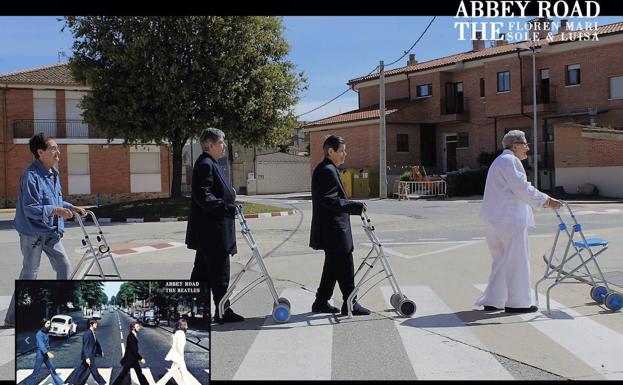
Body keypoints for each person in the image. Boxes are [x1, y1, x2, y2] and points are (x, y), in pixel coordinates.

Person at [2, 133, 86, 329]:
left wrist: (71, 207)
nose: (58, 151)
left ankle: (59, 309)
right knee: (30, 274)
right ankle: (12, 319)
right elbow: (31, 208)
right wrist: (57, 211)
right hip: (32, 232)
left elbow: (55, 200)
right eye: (54, 148)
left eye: (57, 148)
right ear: (40, 152)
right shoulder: (30, 176)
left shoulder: (53, 173)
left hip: (50, 231)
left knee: (64, 266)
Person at [476, 130, 562, 313]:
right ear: (515, 146)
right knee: (517, 260)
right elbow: (522, 188)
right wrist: (547, 201)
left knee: (501, 259)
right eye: (525, 144)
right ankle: (518, 302)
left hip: (494, 218)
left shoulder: (500, 161)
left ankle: (493, 299)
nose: (528, 148)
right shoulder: (510, 161)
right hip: (509, 218)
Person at [185, 128, 244, 323]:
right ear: (210, 145)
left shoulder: (211, 163)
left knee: (201, 274)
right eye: (221, 142)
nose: (224, 145)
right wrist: (226, 207)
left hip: (209, 232)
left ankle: (191, 309)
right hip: (213, 232)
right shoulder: (205, 165)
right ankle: (222, 311)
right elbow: (203, 196)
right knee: (220, 275)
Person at [309, 135, 371, 316]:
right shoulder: (326, 170)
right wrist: (354, 206)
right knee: (345, 265)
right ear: (330, 151)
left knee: (332, 267)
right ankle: (351, 303)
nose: (345, 154)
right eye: (342, 151)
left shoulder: (329, 169)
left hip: (334, 228)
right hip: (334, 229)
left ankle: (321, 302)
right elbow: (329, 200)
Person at [65, 319, 105, 385]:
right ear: (91, 325)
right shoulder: (87, 333)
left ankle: (74, 383)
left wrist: (100, 352)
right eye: (95, 323)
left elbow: (95, 343)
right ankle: (102, 382)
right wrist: (87, 358)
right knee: (94, 370)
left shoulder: (92, 332)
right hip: (89, 355)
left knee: (81, 370)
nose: (96, 324)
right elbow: (85, 346)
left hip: (90, 354)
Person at [26, 318, 64, 385]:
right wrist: (47, 352)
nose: (49, 325)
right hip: (40, 354)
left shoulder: (45, 332)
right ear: (43, 324)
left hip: (45, 354)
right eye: (48, 323)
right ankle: (29, 383)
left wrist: (47, 352)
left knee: (52, 369)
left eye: (50, 323)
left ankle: (60, 383)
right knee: (36, 371)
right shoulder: (39, 334)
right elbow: (41, 345)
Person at [111, 321, 149, 385]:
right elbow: (134, 350)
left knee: (139, 374)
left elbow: (134, 350)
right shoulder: (131, 336)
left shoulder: (133, 335)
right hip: (130, 359)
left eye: (138, 326)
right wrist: (141, 358)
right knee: (124, 374)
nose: (139, 328)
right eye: (137, 327)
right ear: (133, 328)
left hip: (133, 359)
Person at [155, 319, 191, 385]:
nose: (187, 327)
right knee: (172, 372)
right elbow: (179, 346)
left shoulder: (177, 332)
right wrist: (181, 354)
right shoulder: (181, 333)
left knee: (184, 372)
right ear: (182, 326)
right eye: (186, 325)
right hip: (179, 356)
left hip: (177, 355)